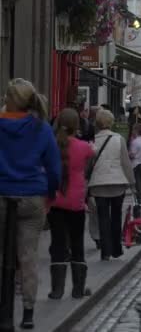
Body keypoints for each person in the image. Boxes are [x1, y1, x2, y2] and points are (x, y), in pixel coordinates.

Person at [0, 78, 61, 330]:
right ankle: (27, 312)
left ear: (8, 99)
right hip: (32, 196)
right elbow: (54, 168)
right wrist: (51, 193)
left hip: (2, 194)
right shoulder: (41, 128)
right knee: (28, 258)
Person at [47, 108, 95, 301]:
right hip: (76, 201)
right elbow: (93, 153)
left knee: (58, 244)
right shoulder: (83, 147)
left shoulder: (53, 145)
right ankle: (77, 289)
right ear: (77, 126)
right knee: (77, 244)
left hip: (56, 200)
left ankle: (57, 290)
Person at [88, 110, 135, 261]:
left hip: (99, 183)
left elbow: (88, 163)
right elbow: (125, 162)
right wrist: (132, 182)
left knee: (103, 218)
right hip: (117, 182)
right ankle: (116, 249)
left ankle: (105, 252)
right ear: (111, 122)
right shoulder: (118, 139)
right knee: (116, 216)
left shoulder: (93, 140)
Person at [129, 123, 141, 204]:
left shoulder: (135, 142)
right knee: (139, 181)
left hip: (135, 164)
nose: (132, 131)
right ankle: (139, 199)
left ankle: (137, 199)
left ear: (136, 131)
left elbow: (132, 155)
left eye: (133, 129)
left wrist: (127, 153)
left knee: (135, 182)